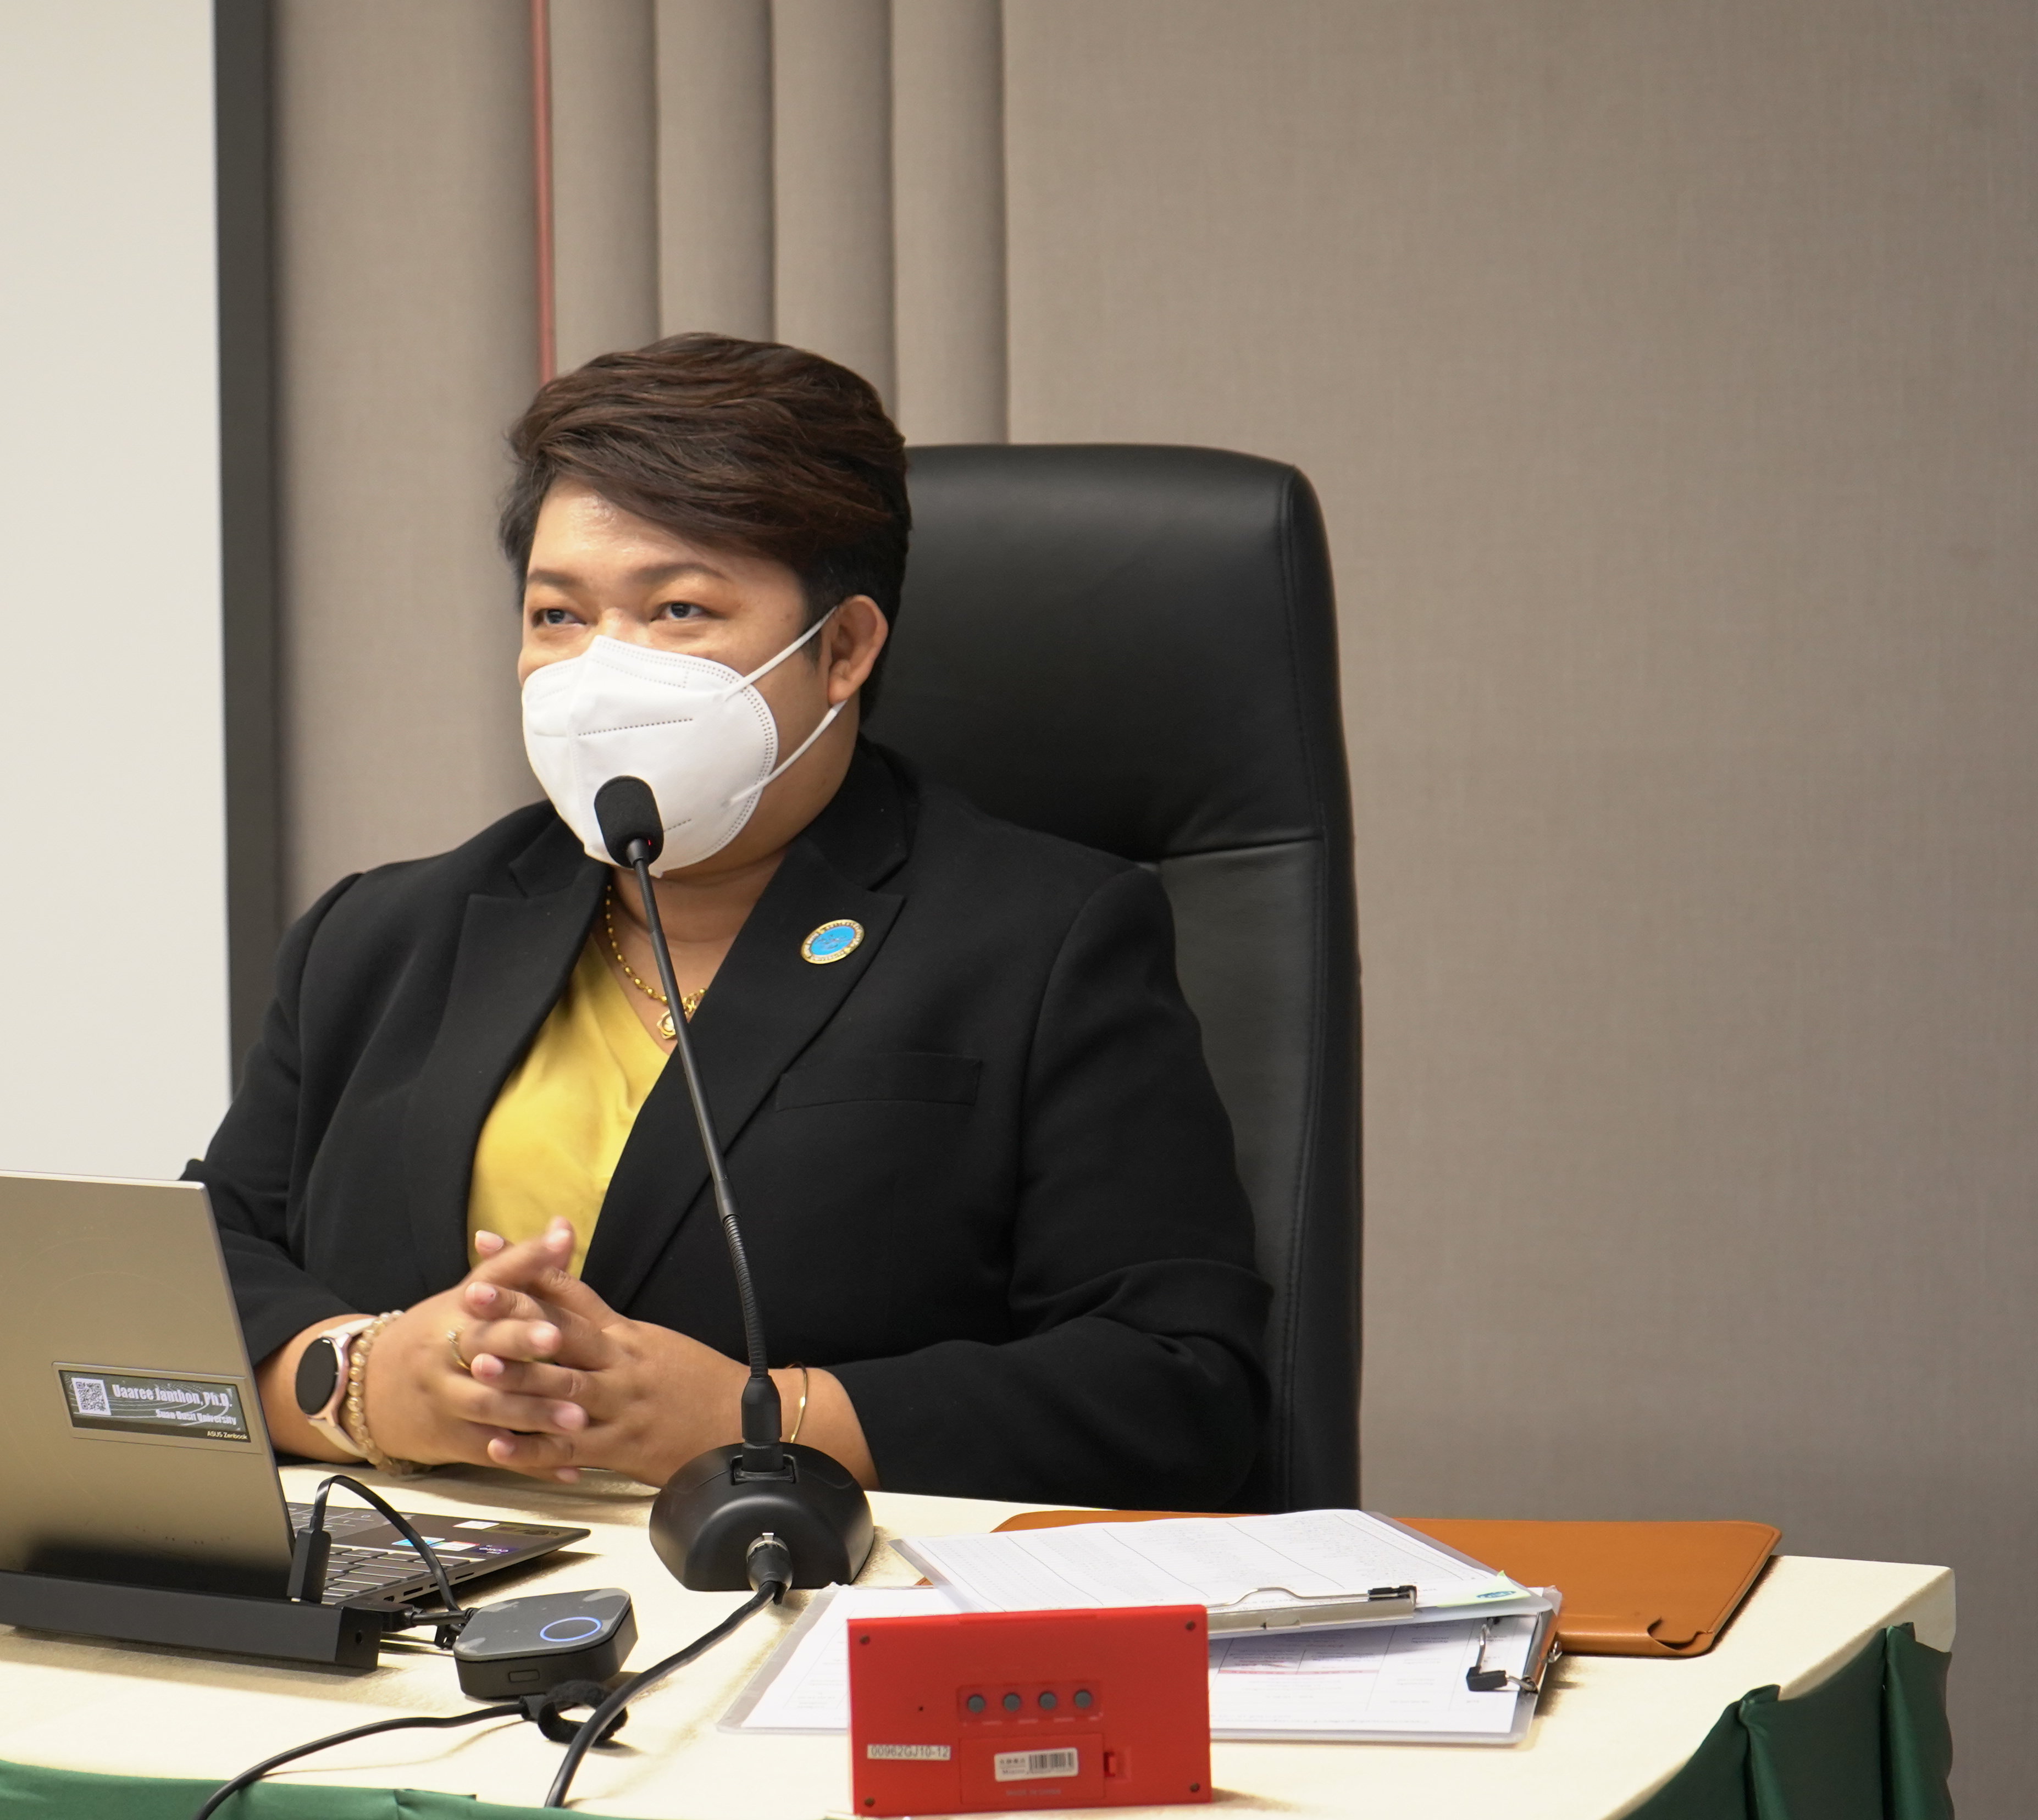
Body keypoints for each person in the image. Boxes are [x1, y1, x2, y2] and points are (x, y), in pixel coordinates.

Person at [191, 334, 1267, 1511]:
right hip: (415, 1592)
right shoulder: (384, 935)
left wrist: (763, 1418)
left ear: (843, 648)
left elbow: (1177, 1385)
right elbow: (195, 1272)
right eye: (558, 614)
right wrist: (360, 1380)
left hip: (801, 1588)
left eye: (679, 608)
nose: (602, 673)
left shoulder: (1045, 939)